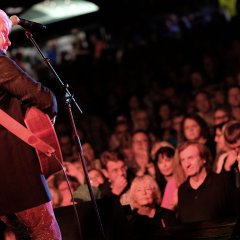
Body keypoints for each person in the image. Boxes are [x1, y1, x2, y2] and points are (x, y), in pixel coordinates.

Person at [0, 10, 61, 239]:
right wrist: (46, 117)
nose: (7, 39)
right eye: (3, 33)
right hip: (18, 173)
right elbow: (44, 98)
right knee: (46, 234)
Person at [177, 141, 235, 223]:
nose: (187, 164)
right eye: (183, 160)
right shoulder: (182, 190)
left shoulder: (220, 183)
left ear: (203, 159)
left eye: (190, 158)